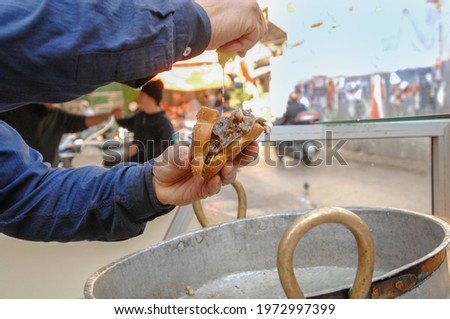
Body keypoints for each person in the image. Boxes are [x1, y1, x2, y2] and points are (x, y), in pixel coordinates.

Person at [0, 0, 267, 242]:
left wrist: (149, 185)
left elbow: (24, 193)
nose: (137, 99)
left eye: (141, 97)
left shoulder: (161, 123)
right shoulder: (139, 118)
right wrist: (193, 22)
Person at [0, 103, 121, 167]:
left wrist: (108, 114)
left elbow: (83, 122)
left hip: (43, 177)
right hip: (12, 171)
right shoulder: (17, 107)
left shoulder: (58, 116)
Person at [114, 80, 175, 164]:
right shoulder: (140, 115)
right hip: (134, 165)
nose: (138, 98)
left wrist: (140, 149)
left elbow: (167, 148)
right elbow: (130, 125)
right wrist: (119, 118)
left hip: (151, 170)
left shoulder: (164, 122)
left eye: (142, 95)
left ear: (151, 98)